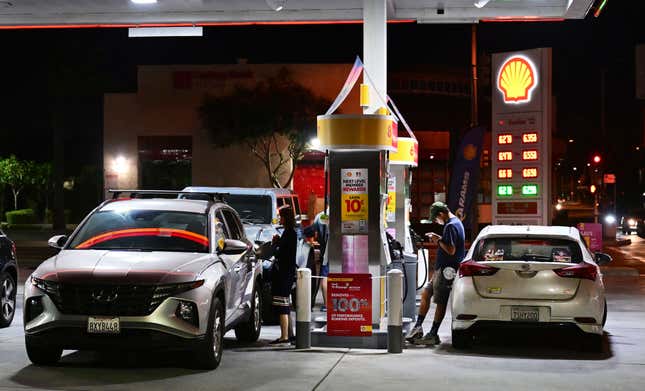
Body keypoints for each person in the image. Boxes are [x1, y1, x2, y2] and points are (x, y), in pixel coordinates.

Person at [405, 201, 465, 346]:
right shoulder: (456, 223)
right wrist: (439, 238)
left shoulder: (450, 226)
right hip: (442, 269)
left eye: (436, 218)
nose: (436, 221)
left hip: (446, 270)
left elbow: (451, 250)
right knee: (426, 294)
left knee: (440, 301)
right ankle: (418, 327)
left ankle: (433, 333)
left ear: (441, 214)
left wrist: (437, 240)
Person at [269, 207, 298, 345]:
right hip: (288, 272)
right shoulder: (290, 233)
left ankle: (284, 336)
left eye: (281, 216)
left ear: (285, 218)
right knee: (285, 303)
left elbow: (282, 253)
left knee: (282, 305)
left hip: (285, 273)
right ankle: (289, 334)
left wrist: (276, 244)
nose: (280, 219)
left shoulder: (289, 233)